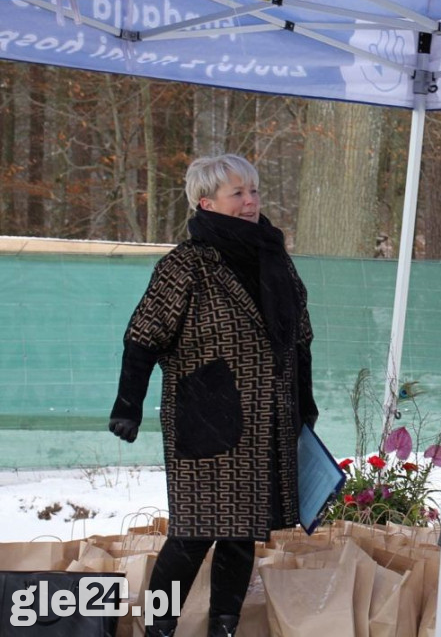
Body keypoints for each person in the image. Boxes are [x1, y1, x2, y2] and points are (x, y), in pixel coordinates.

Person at [108, 154, 319, 637]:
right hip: (206, 416)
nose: (250, 202)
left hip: (267, 418)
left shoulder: (276, 259)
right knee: (192, 532)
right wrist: (127, 405)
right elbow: (143, 337)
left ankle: (223, 627)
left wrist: (304, 407)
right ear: (205, 202)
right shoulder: (186, 264)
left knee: (243, 532)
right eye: (238, 194)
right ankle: (156, 628)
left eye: (254, 192)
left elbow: (300, 340)